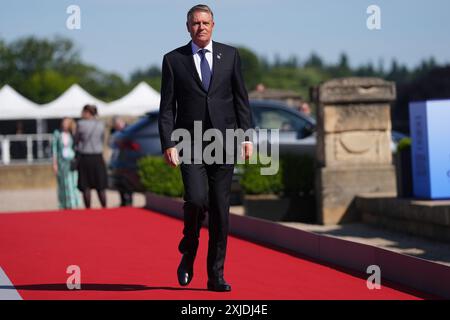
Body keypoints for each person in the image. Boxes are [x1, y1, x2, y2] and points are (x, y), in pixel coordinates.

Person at [158, 4, 253, 292]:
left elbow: (241, 99)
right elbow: (166, 108)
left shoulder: (230, 55)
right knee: (197, 200)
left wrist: (247, 136)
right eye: (195, 23)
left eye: (205, 22)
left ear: (213, 25)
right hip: (190, 142)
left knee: (221, 211)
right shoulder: (174, 60)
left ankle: (216, 275)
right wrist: (169, 143)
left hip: (224, 143)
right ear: (188, 27)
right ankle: (189, 248)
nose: (201, 27)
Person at [75, 104, 108, 209]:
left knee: (86, 186)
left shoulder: (80, 124)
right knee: (100, 186)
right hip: (98, 157)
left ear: (88, 113)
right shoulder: (101, 124)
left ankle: (88, 209)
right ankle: (104, 207)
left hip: (85, 156)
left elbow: (76, 140)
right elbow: (103, 140)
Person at [52, 118, 82, 209]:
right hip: (62, 162)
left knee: (73, 183)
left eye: (66, 123)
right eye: (63, 123)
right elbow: (54, 150)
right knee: (63, 184)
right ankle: (64, 204)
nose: (64, 124)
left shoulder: (72, 134)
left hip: (71, 162)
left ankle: (74, 203)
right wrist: (55, 163)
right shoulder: (57, 134)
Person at [109, 116, 133, 207]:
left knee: (128, 181)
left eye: (118, 124)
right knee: (119, 181)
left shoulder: (129, 130)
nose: (117, 126)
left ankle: (129, 199)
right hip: (117, 159)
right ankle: (123, 200)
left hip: (127, 159)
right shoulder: (114, 132)